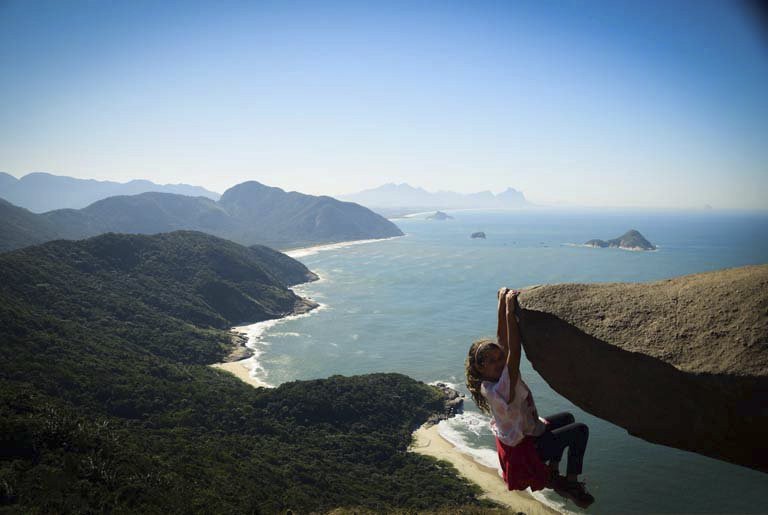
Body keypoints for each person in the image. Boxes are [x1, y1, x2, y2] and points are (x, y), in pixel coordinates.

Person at [464, 288, 595, 509]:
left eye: (498, 358)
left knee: (567, 417)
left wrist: (502, 303)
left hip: (526, 432)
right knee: (580, 430)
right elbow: (513, 351)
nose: (499, 362)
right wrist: (510, 314)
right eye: (491, 361)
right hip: (527, 450)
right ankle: (571, 484)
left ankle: (552, 471)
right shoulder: (502, 386)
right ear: (480, 368)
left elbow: (502, 341)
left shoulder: (491, 381)